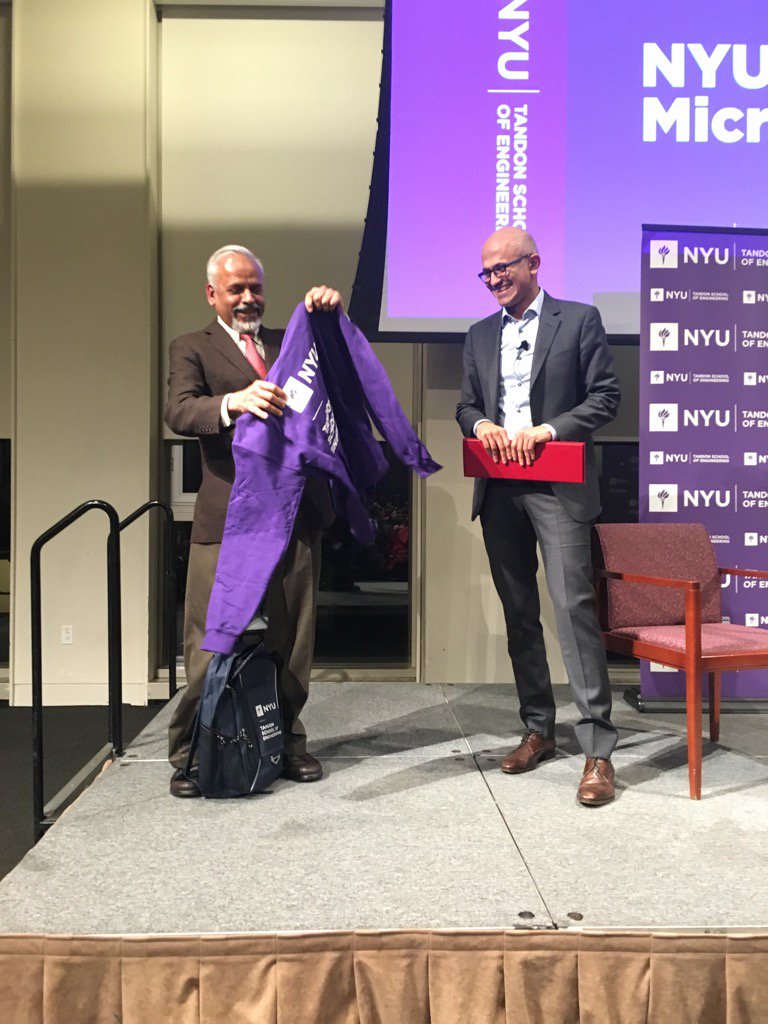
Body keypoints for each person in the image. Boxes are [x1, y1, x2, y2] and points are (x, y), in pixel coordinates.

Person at [164, 244, 339, 797]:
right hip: (229, 517)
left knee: (293, 639)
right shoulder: (191, 346)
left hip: (295, 512)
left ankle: (285, 741)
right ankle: (193, 752)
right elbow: (179, 410)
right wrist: (234, 402)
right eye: (235, 288)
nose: (247, 298)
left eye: (255, 287)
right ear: (212, 293)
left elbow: (338, 374)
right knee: (212, 638)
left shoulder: (292, 343)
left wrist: (327, 319)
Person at [456, 227, 621, 806]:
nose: (494, 279)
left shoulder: (578, 320)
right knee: (519, 612)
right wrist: (482, 425)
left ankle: (598, 750)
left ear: (534, 263)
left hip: (558, 488)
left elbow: (605, 397)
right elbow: (466, 404)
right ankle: (538, 730)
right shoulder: (479, 334)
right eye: (487, 272)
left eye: (503, 267)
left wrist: (549, 430)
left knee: (573, 608)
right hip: (499, 489)